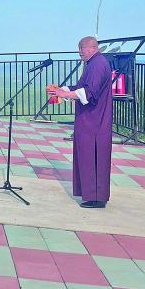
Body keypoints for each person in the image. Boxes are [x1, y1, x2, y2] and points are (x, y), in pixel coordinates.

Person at [47, 36, 113, 208]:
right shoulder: (92, 63)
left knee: (93, 157)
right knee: (85, 156)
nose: (79, 53)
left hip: (95, 121)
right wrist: (62, 90)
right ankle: (89, 194)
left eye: (81, 49)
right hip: (89, 120)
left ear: (91, 48)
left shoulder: (98, 64)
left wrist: (64, 94)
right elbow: (81, 87)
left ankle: (96, 198)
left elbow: (89, 92)